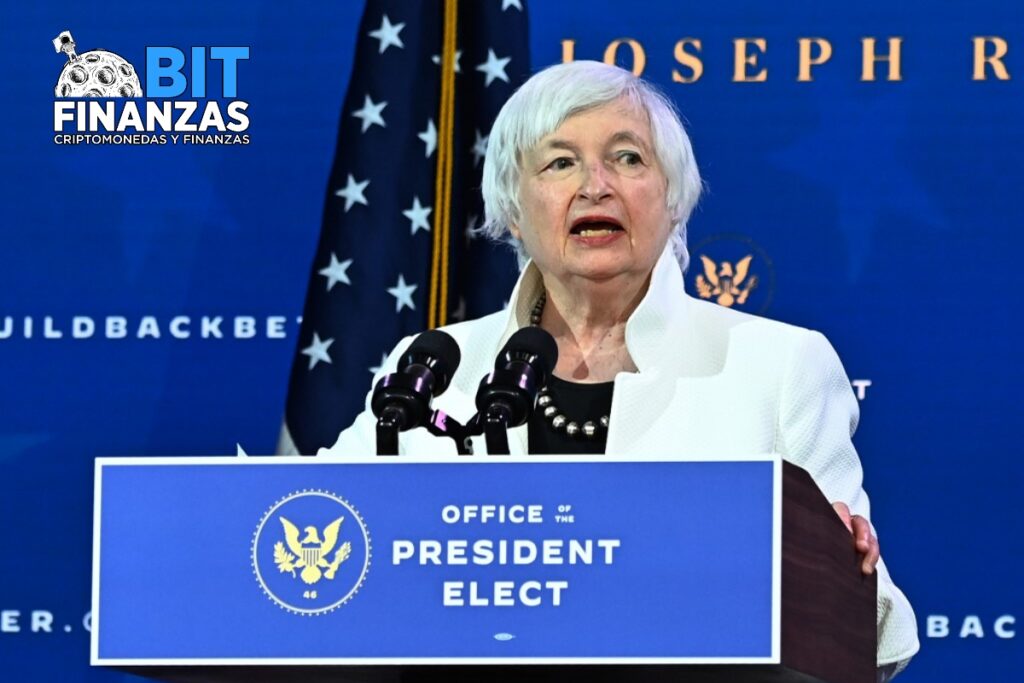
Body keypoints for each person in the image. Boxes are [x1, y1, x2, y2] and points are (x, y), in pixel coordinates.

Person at [320, 60, 919, 678]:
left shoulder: (778, 365)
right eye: (560, 163)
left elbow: (877, 638)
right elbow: (314, 539)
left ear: (673, 198)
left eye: (628, 158)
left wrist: (845, 572)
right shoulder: (431, 370)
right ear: (514, 210)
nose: (595, 185)